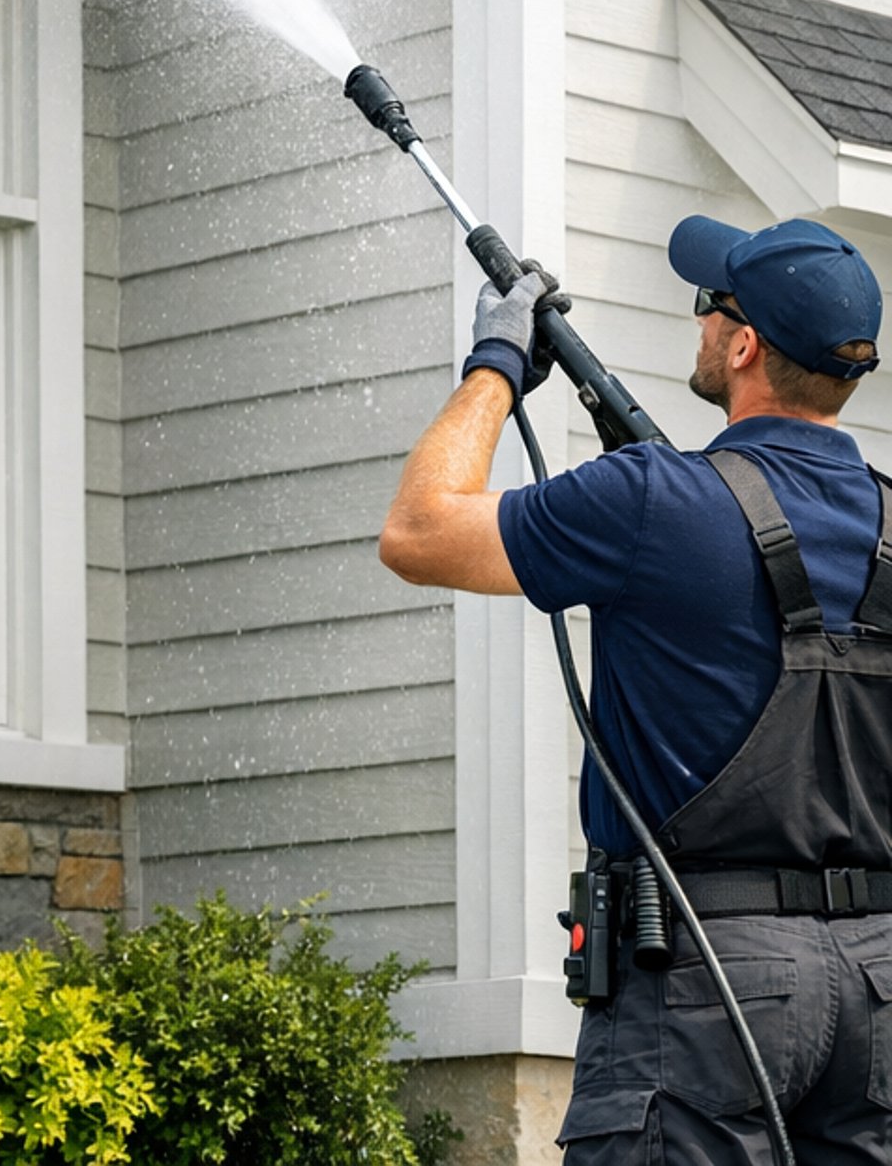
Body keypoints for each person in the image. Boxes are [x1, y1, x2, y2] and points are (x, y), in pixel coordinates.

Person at [381, 214, 892, 1162]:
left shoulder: (653, 500)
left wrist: (496, 364)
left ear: (743, 346)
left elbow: (417, 532)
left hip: (704, 981)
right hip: (880, 987)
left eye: (709, 304)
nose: (698, 321)